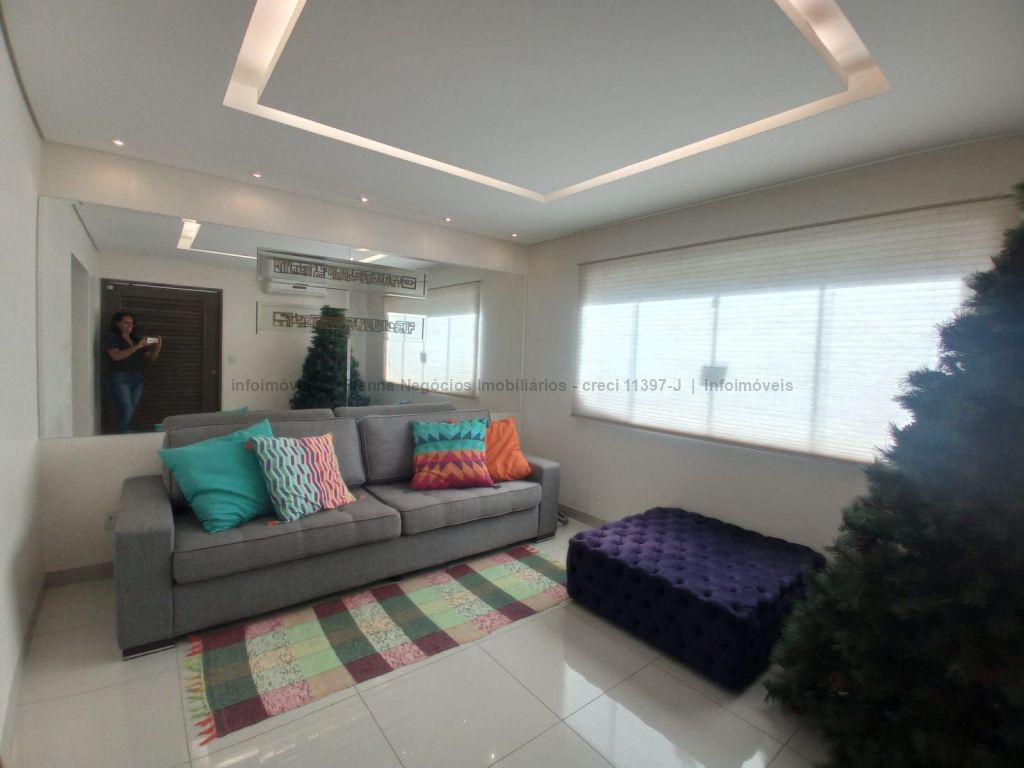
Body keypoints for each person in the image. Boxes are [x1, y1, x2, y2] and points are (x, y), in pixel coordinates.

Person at [105, 312, 162, 433]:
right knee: (125, 410)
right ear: (117, 323)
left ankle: (126, 433)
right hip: (120, 378)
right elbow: (116, 356)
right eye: (126, 323)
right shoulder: (113, 337)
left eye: (131, 323)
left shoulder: (135, 339)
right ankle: (124, 434)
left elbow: (150, 358)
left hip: (137, 378)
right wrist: (138, 346)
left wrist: (157, 348)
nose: (130, 325)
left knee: (130, 411)